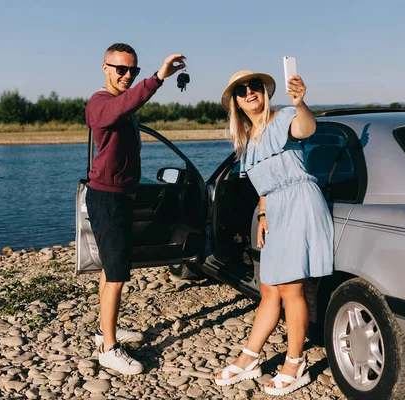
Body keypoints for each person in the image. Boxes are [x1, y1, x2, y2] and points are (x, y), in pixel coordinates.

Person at [214, 70, 334, 396]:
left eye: (255, 86)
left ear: (264, 93)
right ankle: (248, 358)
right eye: (242, 90)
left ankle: (295, 365)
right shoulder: (248, 140)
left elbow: (307, 128)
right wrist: (264, 211)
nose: (250, 91)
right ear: (236, 103)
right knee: (269, 289)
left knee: (290, 289)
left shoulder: (284, 119)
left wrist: (300, 102)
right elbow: (265, 182)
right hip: (277, 211)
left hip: (300, 204)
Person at [85, 43, 186, 375]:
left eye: (133, 71)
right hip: (108, 198)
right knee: (116, 276)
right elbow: (125, 103)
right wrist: (157, 78)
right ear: (105, 67)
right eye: (121, 69)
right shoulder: (100, 104)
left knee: (110, 268)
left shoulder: (121, 107)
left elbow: (128, 105)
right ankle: (109, 349)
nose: (127, 75)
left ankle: (105, 330)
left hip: (120, 195)